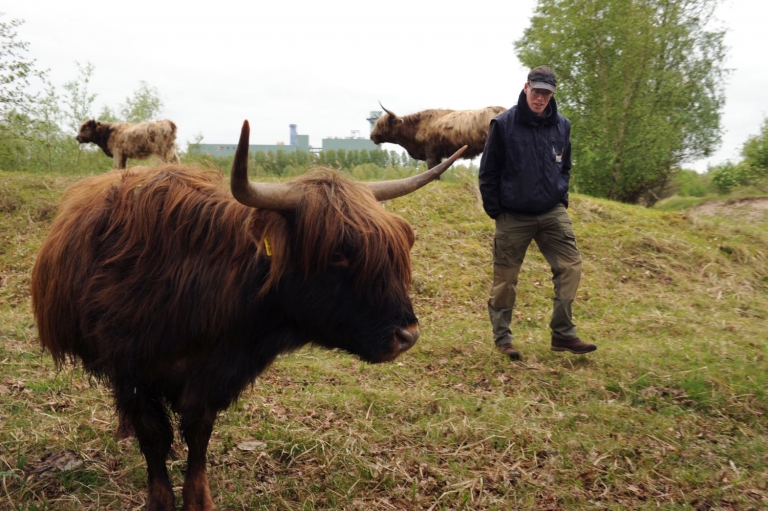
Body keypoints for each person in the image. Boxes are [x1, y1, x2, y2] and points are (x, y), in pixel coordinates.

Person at [478, 65, 596, 361]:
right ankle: (503, 339)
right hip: (513, 216)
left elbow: (565, 165)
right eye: (536, 91)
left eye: (546, 93)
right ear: (526, 87)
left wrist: (561, 198)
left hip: (552, 212)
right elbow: (488, 173)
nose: (540, 98)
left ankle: (563, 333)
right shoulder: (503, 125)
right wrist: (498, 213)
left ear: (552, 94)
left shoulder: (562, 125)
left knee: (571, 266)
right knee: (506, 279)